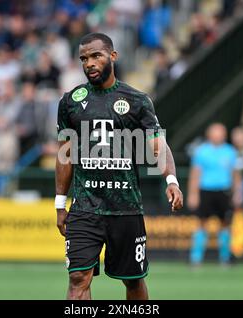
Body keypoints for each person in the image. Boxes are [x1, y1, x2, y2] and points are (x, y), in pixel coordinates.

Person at [55, 33, 183, 300]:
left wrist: (171, 180)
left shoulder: (137, 101)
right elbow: (64, 154)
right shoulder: (70, 102)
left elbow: (158, 145)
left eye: (96, 56)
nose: (89, 63)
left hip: (125, 209)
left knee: (133, 282)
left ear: (112, 56)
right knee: (78, 277)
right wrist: (59, 204)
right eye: (84, 58)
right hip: (84, 208)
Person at [187, 123, 243, 266]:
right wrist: (193, 194)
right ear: (209, 134)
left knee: (225, 224)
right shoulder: (201, 152)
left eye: (221, 132)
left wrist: (238, 193)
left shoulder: (230, 152)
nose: (218, 135)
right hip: (205, 190)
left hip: (224, 191)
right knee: (201, 224)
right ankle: (196, 257)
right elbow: (195, 174)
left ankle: (225, 257)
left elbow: (236, 175)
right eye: (215, 132)